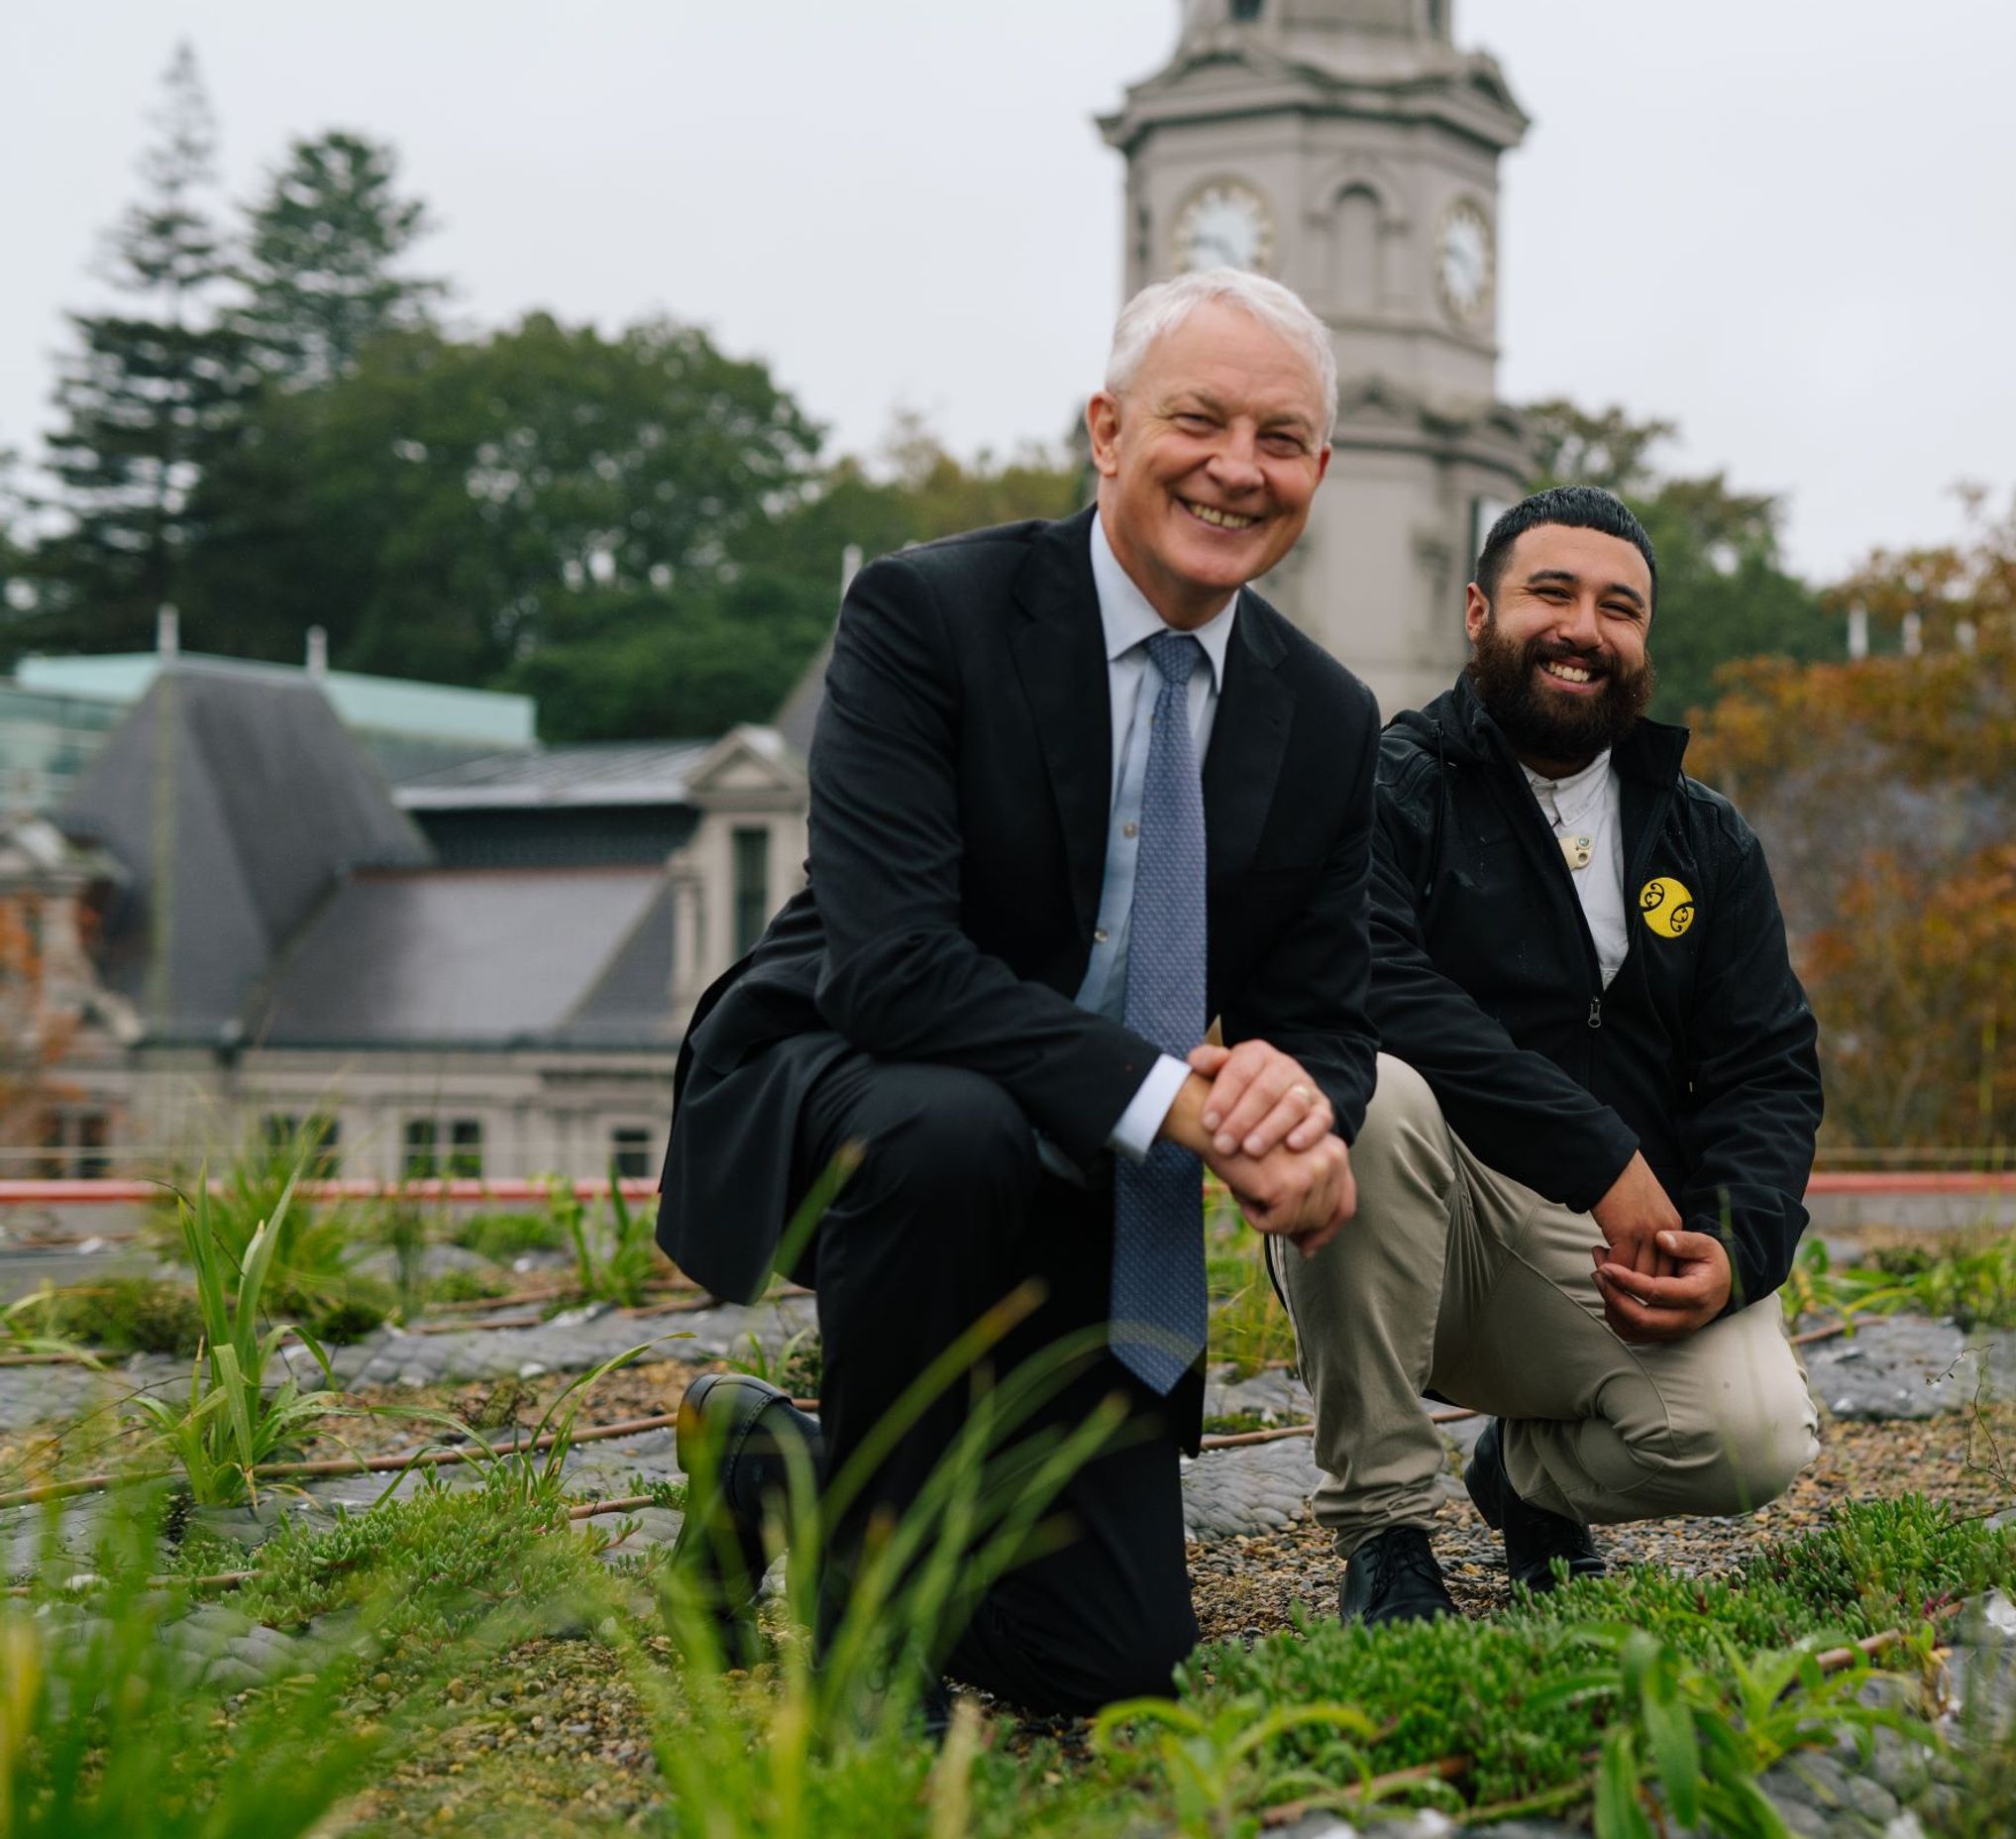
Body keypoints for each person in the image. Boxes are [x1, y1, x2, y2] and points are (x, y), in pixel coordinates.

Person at [656, 268, 1379, 1712]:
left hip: (1091, 1171)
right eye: (1199, 420)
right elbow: (895, 966)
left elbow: (1326, 1012)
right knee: (954, 1130)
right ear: (1107, 430)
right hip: (850, 1079)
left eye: (1282, 439)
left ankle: (781, 1459)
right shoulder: (931, 613)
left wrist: (1309, 1109)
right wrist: (1179, 1102)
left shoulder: (1328, 715)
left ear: (1317, 472)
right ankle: (868, 1648)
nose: (1239, 468)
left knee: (1106, 1668)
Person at [1273, 485, 1824, 1624]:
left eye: (1618, 606)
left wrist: (1728, 1240)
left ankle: (1515, 1474)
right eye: (1551, 592)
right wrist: (1603, 1155)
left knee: (1753, 1440)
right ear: (1478, 611)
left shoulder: (1706, 838)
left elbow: (1767, 1070)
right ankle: (1386, 1529)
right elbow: (1370, 988)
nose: (1584, 626)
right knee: (1368, 1097)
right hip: (1421, 1228)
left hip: (1605, 1261)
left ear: (1643, 644)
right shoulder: (1391, 784)